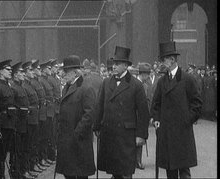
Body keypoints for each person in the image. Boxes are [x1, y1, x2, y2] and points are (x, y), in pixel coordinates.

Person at [93, 46, 150, 179]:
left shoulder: (136, 85)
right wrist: (96, 126)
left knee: (125, 172)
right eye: (113, 63)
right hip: (109, 134)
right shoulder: (106, 83)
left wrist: (141, 135)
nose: (114, 66)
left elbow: (143, 113)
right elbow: (99, 106)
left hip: (127, 137)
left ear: (125, 66)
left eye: (117, 64)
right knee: (115, 171)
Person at [151, 41, 202, 179]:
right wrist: (156, 119)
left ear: (172, 60)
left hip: (182, 134)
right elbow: (155, 104)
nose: (162, 62)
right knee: (170, 170)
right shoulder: (162, 82)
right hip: (166, 134)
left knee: (184, 170)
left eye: (164, 59)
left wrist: (187, 120)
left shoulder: (187, 79)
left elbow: (197, 104)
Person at [55, 55, 96, 179]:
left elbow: (89, 114)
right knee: (69, 173)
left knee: (81, 173)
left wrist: (77, 133)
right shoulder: (66, 88)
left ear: (75, 72)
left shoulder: (85, 88)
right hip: (67, 140)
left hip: (79, 140)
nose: (63, 74)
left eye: (66, 71)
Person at [0, 59, 16, 179]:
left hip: (9, 124)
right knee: (0, 155)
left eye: (11, 69)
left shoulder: (7, 86)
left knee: (3, 155)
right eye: (8, 70)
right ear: (0, 71)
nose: (10, 71)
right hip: (1, 126)